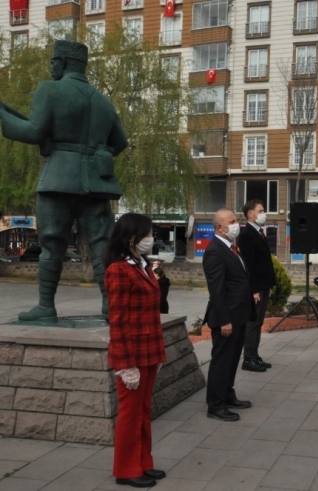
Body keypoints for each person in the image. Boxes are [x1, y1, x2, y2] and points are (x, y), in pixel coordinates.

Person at [0, 40, 128, 322]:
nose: (51, 66)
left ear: (65, 62)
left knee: (51, 243)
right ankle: (110, 305)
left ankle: (46, 306)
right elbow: (120, 142)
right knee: (101, 244)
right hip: (96, 184)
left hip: (58, 178)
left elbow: (34, 131)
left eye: (53, 61)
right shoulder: (103, 102)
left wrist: (2, 114)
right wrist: (98, 155)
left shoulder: (50, 90)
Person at [104, 213, 166, 488]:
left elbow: (154, 308)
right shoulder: (118, 270)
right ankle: (126, 469)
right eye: (148, 233)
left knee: (143, 410)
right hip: (132, 354)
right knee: (130, 414)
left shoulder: (141, 265)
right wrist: (125, 364)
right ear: (132, 238)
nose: (151, 238)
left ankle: (143, 463)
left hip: (149, 349)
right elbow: (117, 320)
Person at [202, 209, 253, 422]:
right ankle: (215, 404)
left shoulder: (232, 248)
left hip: (239, 315)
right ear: (219, 228)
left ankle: (227, 394)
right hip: (227, 318)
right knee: (222, 361)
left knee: (232, 360)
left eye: (236, 220)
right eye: (232, 222)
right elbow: (217, 289)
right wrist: (224, 320)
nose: (236, 224)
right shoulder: (214, 251)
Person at [237, 199, 275, 373]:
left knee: (258, 322)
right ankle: (249, 358)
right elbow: (249, 265)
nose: (263, 214)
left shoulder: (259, 232)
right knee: (253, 322)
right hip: (255, 288)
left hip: (263, 285)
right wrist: (253, 290)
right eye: (261, 211)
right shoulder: (246, 235)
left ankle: (255, 355)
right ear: (251, 214)